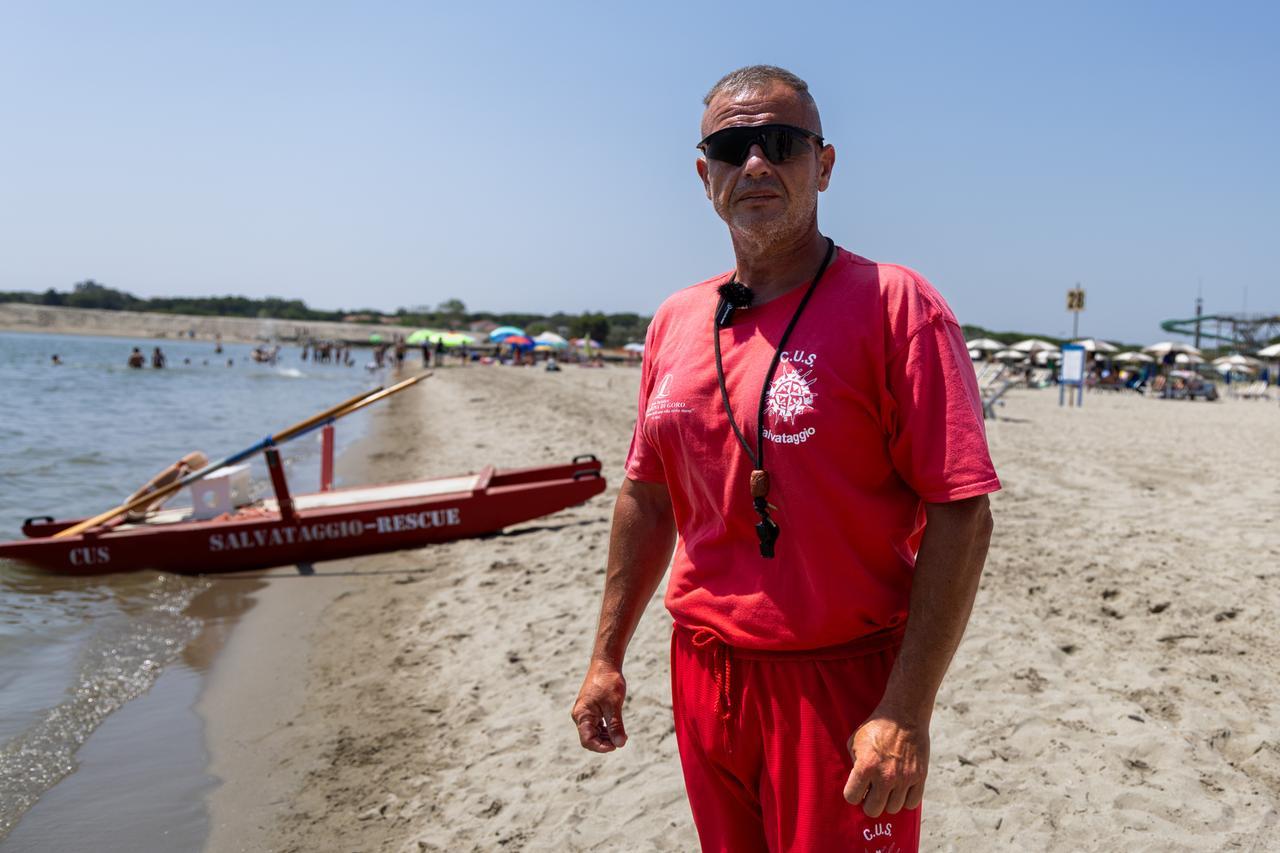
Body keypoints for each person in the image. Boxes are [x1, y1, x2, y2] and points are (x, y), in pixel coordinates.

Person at [571, 66, 999, 852]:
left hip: (841, 680)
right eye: (734, 146)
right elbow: (648, 496)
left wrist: (906, 709)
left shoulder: (896, 305)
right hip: (704, 670)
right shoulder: (675, 320)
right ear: (706, 176)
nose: (757, 163)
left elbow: (962, 512)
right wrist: (605, 657)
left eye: (783, 144)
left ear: (824, 165)